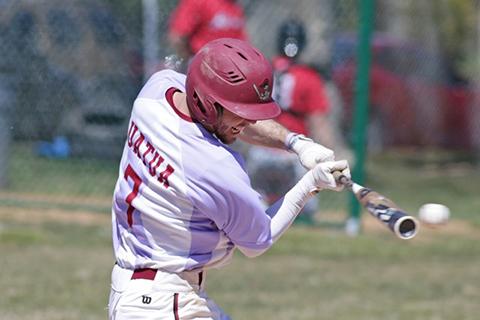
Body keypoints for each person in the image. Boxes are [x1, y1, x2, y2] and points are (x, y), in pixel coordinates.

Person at [107, 38, 350, 319]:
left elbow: (223, 117)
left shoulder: (157, 90)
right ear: (208, 105)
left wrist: (296, 143)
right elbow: (260, 238)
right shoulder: (213, 167)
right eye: (241, 114)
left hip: (139, 290)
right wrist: (311, 184)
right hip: (164, 303)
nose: (247, 122)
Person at [246, 19, 351, 225]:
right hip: (295, 155)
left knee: (257, 202)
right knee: (304, 210)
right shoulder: (308, 77)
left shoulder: (262, 70)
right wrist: (332, 153)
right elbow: (319, 122)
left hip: (260, 151)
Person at [168, 0, 248, 71]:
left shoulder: (235, 6)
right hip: (203, 66)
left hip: (230, 68)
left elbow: (242, 43)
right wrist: (191, 61)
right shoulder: (199, 2)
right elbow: (177, 36)